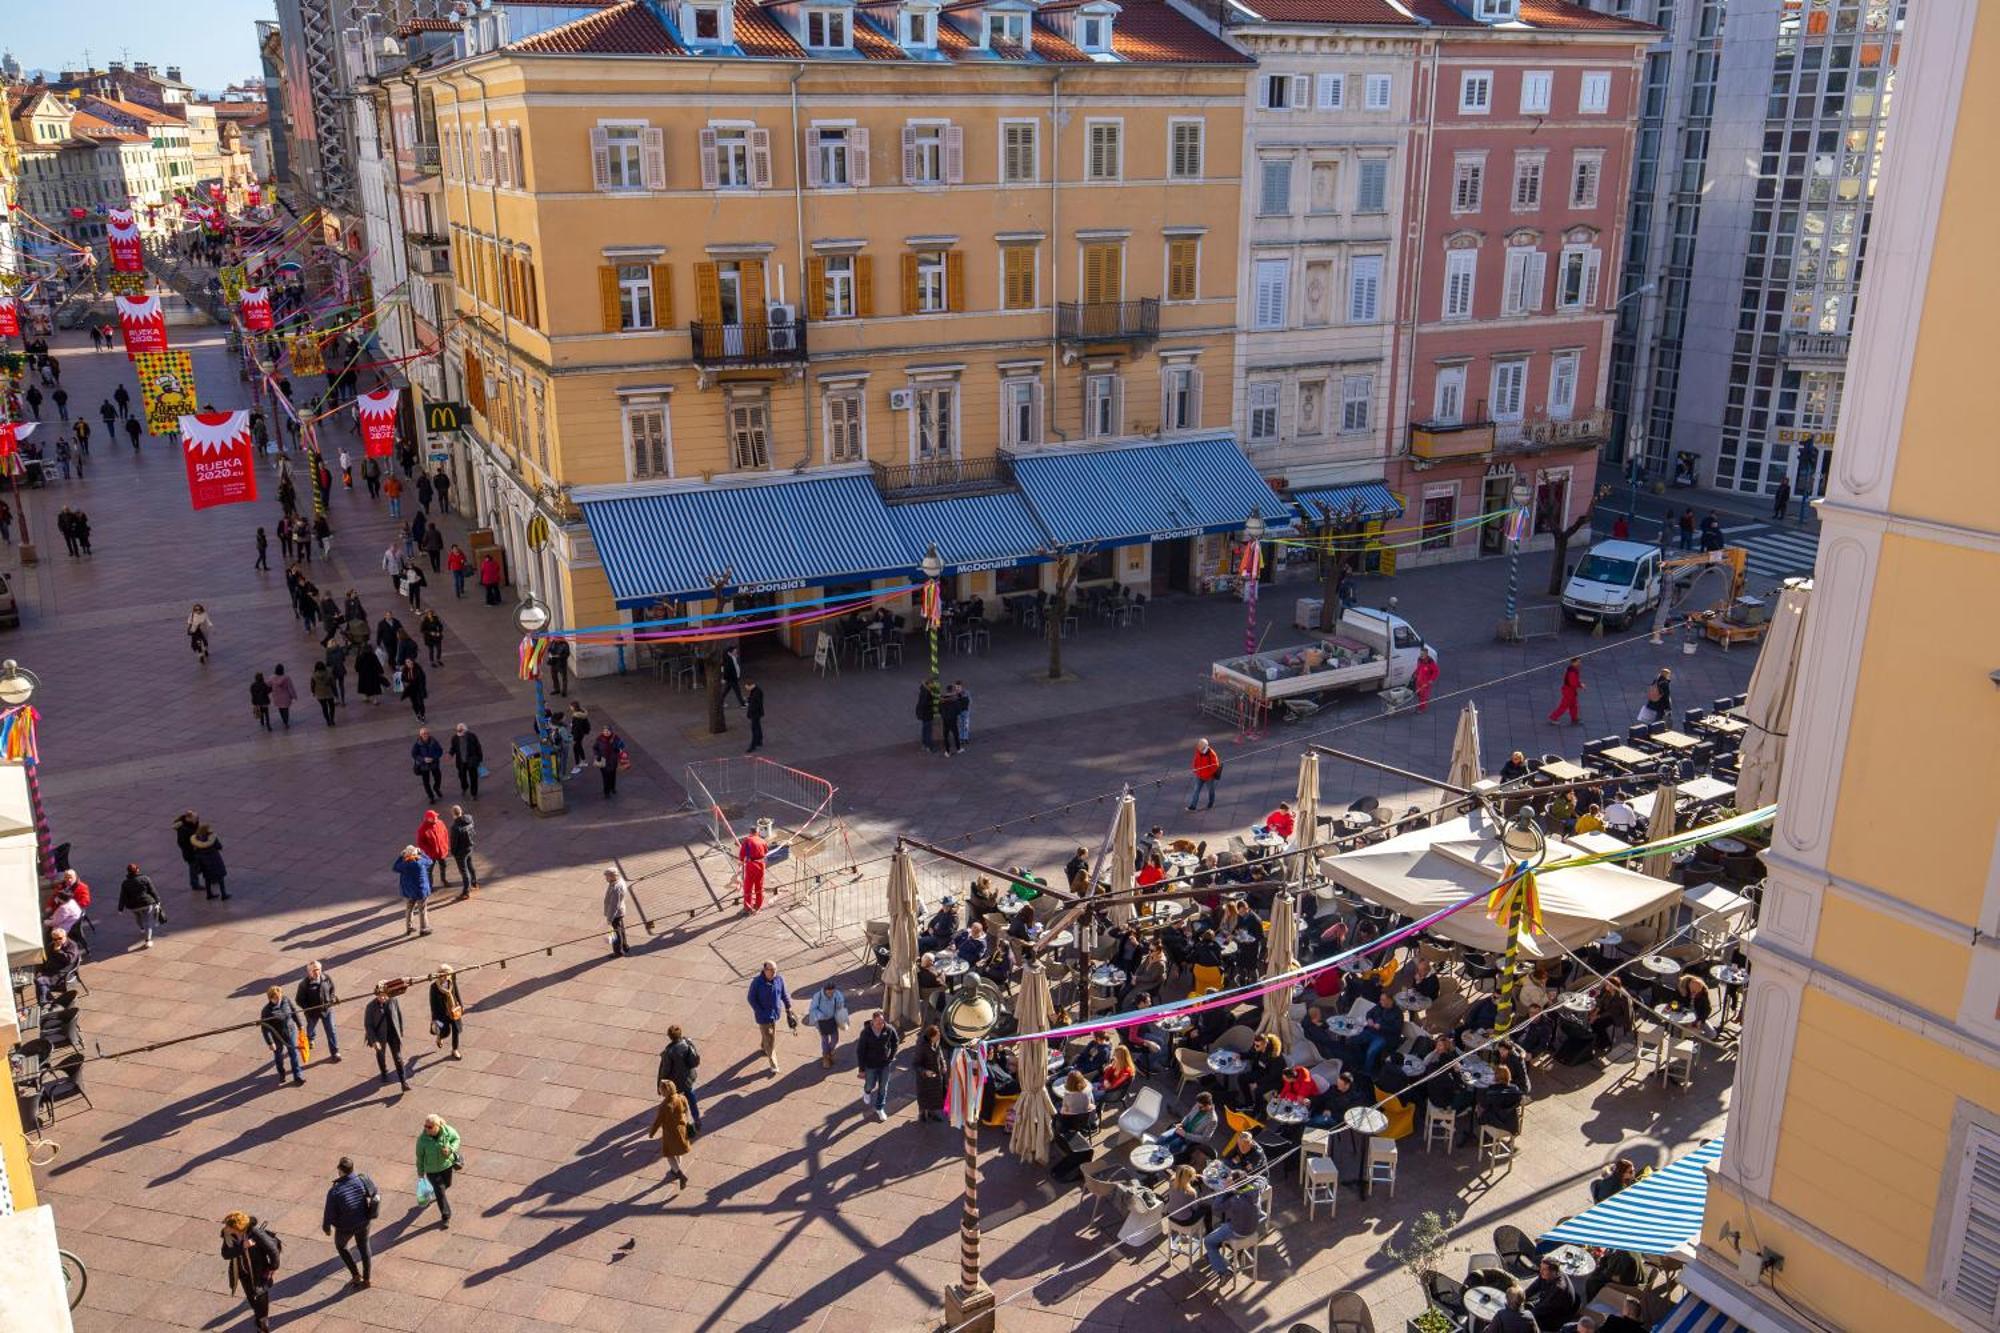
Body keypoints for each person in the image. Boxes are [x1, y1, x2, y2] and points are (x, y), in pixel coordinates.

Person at [219, 1211, 284, 1333]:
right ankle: (259, 1316)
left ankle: (262, 1321)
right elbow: (225, 1254)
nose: (225, 1228)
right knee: (251, 1297)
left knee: (260, 1295)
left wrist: (272, 1268)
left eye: (228, 1226)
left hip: (259, 1271)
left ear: (237, 1228)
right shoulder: (228, 1236)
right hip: (242, 1272)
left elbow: (273, 1250)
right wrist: (242, 1246)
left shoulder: (255, 1233)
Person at [322, 1156, 380, 1289]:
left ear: (340, 1171)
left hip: (345, 1227)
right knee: (364, 1248)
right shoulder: (361, 1180)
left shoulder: (335, 1191)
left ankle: (355, 1275)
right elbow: (374, 1192)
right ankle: (367, 1279)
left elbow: (329, 1212)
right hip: (363, 1221)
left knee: (341, 1247)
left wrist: (326, 1227)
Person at [1203, 1172, 1269, 1277]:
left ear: (1235, 1184)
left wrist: (1224, 1191)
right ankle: (1219, 1256)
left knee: (1208, 1241)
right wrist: (1243, 1178)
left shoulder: (1235, 1199)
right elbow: (1262, 1179)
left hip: (1238, 1230)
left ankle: (1223, 1270)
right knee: (1222, 1226)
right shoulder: (1255, 1189)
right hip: (1253, 1227)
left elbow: (1216, 1207)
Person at [747, 960, 796, 1076]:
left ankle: (764, 1046)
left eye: (775, 970)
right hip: (763, 1017)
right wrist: (761, 1012)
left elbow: (784, 994)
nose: (774, 972)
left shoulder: (779, 979)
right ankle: (773, 1063)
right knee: (771, 1039)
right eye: (772, 970)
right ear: (765, 970)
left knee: (768, 1035)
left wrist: (788, 1007)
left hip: (775, 1014)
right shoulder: (757, 983)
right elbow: (751, 999)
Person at [414, 1115, 462, 1229]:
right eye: (425, 1126)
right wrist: (420, 1173)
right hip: (432, 1170)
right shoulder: (422, 1140)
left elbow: (456, 1139)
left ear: (437, 1126)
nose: (427, 1129)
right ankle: (446, 1216)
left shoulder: (447, 1131)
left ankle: (434, 1191)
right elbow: (419, 1158)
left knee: (447, 1185)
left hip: (446, 1166)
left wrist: (450, 1149)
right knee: (440, 1191)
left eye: (430, 1127)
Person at [646, 1080, 695, 1188]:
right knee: (678, 1151)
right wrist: (687, 1121)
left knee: (669, 1154)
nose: (659, 1090)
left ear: (665, 1091)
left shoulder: (664, 1106)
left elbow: (658, 1121)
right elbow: (687, 1111)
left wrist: (651, 1133)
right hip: (681, 1129)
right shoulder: (681, 1098)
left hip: (670, 1133)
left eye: (661, 1089)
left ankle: (680, 1174)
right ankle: (675, 1170)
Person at [855, 1009, 901, 1121]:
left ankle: (880, 1108)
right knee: (870, 1084)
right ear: (873, 1021)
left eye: (882, 1022)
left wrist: (890, 1057)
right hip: (870, 1064)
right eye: (878, 1023)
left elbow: (895, 1042)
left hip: (884, 1064)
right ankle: (867, 1091)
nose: (881, 1025)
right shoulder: (866, 1032)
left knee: (883, 1087)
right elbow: (860, 1051)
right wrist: (861, 1069)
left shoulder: (889, 1029)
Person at [259, 984, 308, 1087]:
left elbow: (294, 1012)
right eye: (276, 997)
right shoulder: (266, 1011)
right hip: (277, 1036)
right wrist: (270, 1042)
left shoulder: (285, 1000)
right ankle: (281, 1073)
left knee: (293, 1054)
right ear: (271, 998)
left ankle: (298, 1075)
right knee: (279, 1056)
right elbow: (265, 1029)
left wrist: (300, 1025)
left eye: (280, 996)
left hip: (290, 1032)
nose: (279, 998)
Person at [658, 1024, 703, 1133]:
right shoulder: (687, 1043)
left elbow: (666, 1070)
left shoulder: (669, 1052)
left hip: (676, 1082)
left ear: (669, 1036)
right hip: (688, 1077)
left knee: (678, 1105)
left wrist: (661, 1082)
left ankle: (686, 1125)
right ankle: (697, 1119)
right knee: (691, 1098)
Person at [364, 981, 409, 1090]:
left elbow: (398, 1015)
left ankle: (403, 1081)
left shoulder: (393, 1000)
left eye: (385, 995)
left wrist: (400, 1032)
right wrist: (374, 1041)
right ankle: (384, 1072)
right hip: (379, 1036)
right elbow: (368, 1025)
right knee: (381, 1055)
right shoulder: (370, 1007)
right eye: (381, 996)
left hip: (393, 1033)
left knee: (398, 1058)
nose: (383, 998)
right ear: (376, 996)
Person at [1158, 1091, 1219, 1163]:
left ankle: (1161, 1162)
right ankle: (1153, 1154)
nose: (1198, 1107)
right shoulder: (1198, 1105)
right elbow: (1188, 1116)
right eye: (1198, 1105)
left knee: (1174, 1144)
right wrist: (1182, 1124)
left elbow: (1204, 1139)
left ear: (1208, 1105)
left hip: (1188, 1138)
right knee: (1163, 1137)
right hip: (1181, 1129)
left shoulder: (1212, 1120)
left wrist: (1185, 1134)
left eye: (1200, 1107)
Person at [805, 979, 850, 1069]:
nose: (831, 994)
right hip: (822, 1021)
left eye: (832, 992)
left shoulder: (837, 994)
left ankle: (828, 1053)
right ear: (824, 990)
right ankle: (826, 1057)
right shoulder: (818, 996)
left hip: (833, 1019)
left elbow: (841, 1002)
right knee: (824, 1039)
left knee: (835, 1039)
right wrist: (821, 1015)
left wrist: (840, 1005)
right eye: (829, 992)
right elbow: (812, 1009)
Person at [1525, 1256, 1580, 1329]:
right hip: (1547, 1302)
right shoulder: (1547, 1275)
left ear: (1553, 1271)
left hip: (1556, 1316)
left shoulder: (1559, 1289)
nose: (1540, 1271)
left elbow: (1543, 1309)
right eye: (1541, 1267)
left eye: (1544, 1269)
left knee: (1527, 1324)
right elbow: (1534, 1287)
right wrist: (1521, 1296)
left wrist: (1524, 1315)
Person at [117, 863, 161, 948]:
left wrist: (120, 908)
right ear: (137, 870)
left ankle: (142, 928)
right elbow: (152, 890)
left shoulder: (125, 883)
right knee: (147, 921)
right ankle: (148, 940)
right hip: (146, 903)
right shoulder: (145, 878)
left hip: (133, 906)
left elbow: (123, 896)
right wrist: (157, 900)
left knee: (138, 917)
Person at [394, 844, 435, 936]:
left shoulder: (404, 865)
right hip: (421, 891)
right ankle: (424, 928)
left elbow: (395, 867)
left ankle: (409, 927)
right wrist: (422, 853)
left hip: (409, 891)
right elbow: (430, 861)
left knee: (409, 909)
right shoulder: (420, 862)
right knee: (422, 910)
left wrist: (401, 856)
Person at [913, 1024, 947, 1123]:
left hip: (936, 1075)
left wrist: (943, 1064)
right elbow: (915, 1064)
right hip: (924, 1079)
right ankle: (922, 1114)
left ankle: (932, 1113)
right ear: (931, 1036)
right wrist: (925, 1072)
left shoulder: (936, 1042)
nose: (939, 1037)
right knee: (924, 1097)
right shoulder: (922, 1046)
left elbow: (940, 1054)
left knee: (935, 1097)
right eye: (937, 1036)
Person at [429, 966, 466, 1059]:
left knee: (456, 1030)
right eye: (444, 975)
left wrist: (461, 1005)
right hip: (442, 1014)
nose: (446, 977)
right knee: (445, 1032)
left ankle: (455, 1049)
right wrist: (435, 1018)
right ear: (439, 975)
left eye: (448, 975)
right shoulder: (434, 987)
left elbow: (456, 993)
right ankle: (440, 1037)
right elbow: (433, 1005)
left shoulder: (451, 982)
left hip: (453, 1011)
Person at [416, 809, 454, 889]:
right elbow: (420, 843)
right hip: (431, 854)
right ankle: (430, 885)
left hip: (442, 851)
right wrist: (429, 851)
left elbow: (445, 834)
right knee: (429, 870)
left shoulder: (440, 823)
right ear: (428, 818)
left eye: (436, 817)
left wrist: (446, 845)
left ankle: (443, 880)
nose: (436, 818)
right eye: (434, 817)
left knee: (443, 866)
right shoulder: (422, 829)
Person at [191, 824, 230, 900]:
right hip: (214, 859)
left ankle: (209, 894)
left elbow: (195, 850)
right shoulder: (212, 838)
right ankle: (223, 894)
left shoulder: (196, 839)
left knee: (207, 878)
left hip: (203, 861)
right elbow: (219, 846)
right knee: (220, 877)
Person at [1054, 1069, 1096, 1136]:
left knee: (1057, 1107)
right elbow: (1091, 1105)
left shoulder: (1067, 1096)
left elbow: (1063, 1111)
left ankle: (1060, 1129)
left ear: (1068, 1082)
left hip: (1071, 1122)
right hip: (1084, 1121)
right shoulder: (1086, 1093)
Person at [602, 866, 632, 957]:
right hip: (619, 911)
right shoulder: (617, 881)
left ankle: (618, 952)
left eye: (607, 876)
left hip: (616, 914)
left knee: (616, 934)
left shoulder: (616, 888)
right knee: (620, 930)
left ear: (612, 876)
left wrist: (610, 918)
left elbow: (614, 906)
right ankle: (625, 946)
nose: (606, 878)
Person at [1188, 737, 1222, 811]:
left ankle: (1211, 803)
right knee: (1196, 790)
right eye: (1198, 745)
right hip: (1199, 775)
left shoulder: (1212, 754)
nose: (1198, 746)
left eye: (1199, 745)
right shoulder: (1198, 751)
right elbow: (1195, 760)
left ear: (1204, 747)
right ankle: (1193, 806)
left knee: (1211, 790)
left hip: (1208, 777)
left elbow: (1215, 766)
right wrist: (1195, 769)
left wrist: (1207, 774)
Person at [412, 726, 445, 800]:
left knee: (438, 778)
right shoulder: (417, 744)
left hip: (434, 764)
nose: (425, 735)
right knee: (426, 782)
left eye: (426, 733)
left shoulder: (434, 741)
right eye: (423, 734)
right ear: (420, 735)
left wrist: (433, 758)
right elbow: (414, 754)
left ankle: (436, 788)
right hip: (424, 766)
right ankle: (431, 797)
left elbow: (440, 751)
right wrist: (423, 759)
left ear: (429, 734)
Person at [593, 726, 627, 797]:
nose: (606, 732)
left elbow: (622, 746)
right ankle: (606, 792)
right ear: (602, 732)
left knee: (612, 775)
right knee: (605, 777)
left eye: (608, 731)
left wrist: (618, 750)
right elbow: (595, 748)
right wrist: (597, 755)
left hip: (612, 760)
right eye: (605, 731)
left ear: (611, 731)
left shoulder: (616, 738)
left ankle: (612, 788)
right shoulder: (599, 739)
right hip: (603, 760)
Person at [1412, 646, 1440, 712]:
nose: (1421, 655)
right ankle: (1421, 705)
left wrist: (1431, 680)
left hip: (1425, 682)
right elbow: (1418, 668)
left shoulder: (1430, 663)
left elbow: (1436, 672)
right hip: (1419, 681)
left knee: (1423, 696)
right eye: (1420, 654)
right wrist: (1415, 674)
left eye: (1422, 654)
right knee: (1419, 695)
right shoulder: (1420, 660)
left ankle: (1422, 708)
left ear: (1426, 654)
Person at [915, 678, 939, 754]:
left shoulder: (923, 690)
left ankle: (924, 744)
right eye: (932, 684)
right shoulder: (927, 692)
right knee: (928, 730)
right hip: (927, 714)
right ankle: (929, 746)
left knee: (925, 729)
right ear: (929, 684)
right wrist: (934, 701)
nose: (933, 685)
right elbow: (926, 703)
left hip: (923, 713)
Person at [743, 679, 766, 754]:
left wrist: (750, 712)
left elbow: (755, 704)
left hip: (755, 713)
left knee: (754, 729)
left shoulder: (756, 692)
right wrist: (748, 699)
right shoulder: (756, 691)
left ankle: (753, 745)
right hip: (757, 713)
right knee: (758, 726)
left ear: (751, 685)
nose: (746, 689)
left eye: (747, 687)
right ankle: (759, 740)